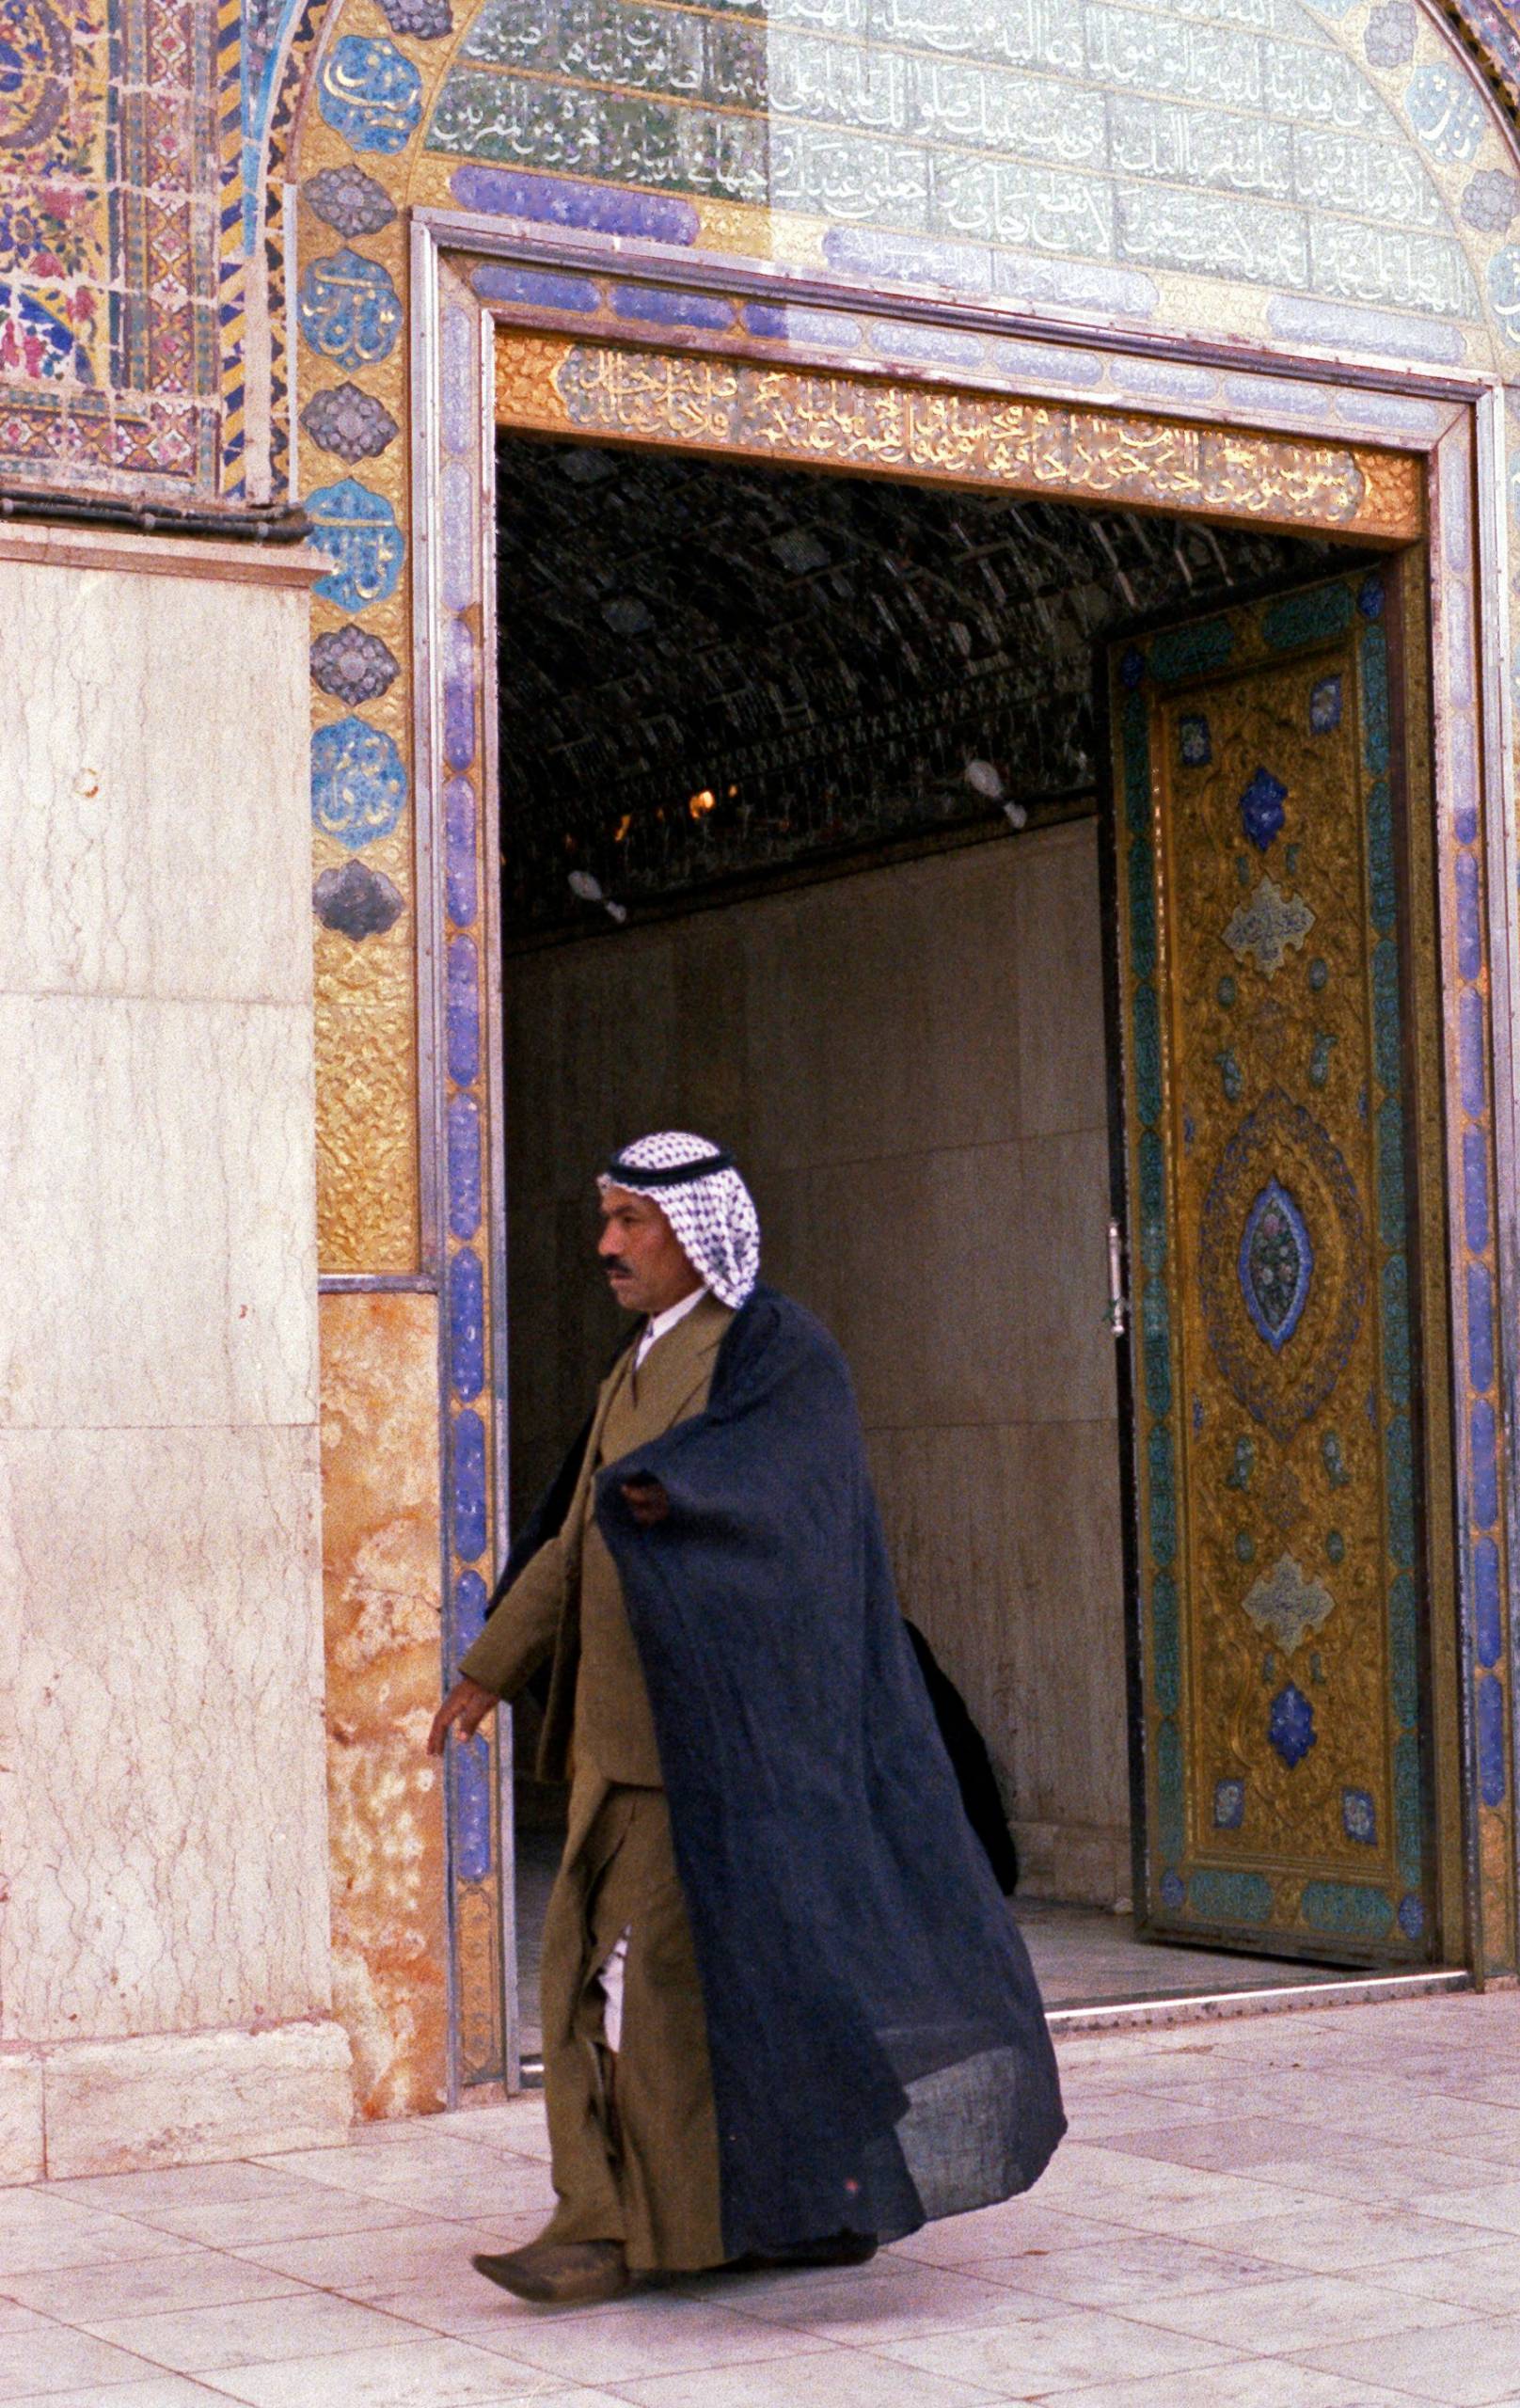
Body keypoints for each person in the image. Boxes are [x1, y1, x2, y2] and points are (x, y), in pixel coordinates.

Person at [429, 1132, 1065, 2307]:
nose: (607, 1244)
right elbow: (579, 1535)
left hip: (722, 1745)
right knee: (587, 1973)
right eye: (606, 1218)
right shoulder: (633, 1365)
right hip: (625, 1744)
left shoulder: (773, 1350)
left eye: (634, 1221)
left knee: (646, 1986)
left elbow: (791, 1492)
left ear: (696, 1230)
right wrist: (485, 1669)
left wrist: (688, 1492)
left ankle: (621, 2229)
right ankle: (701, 2210)